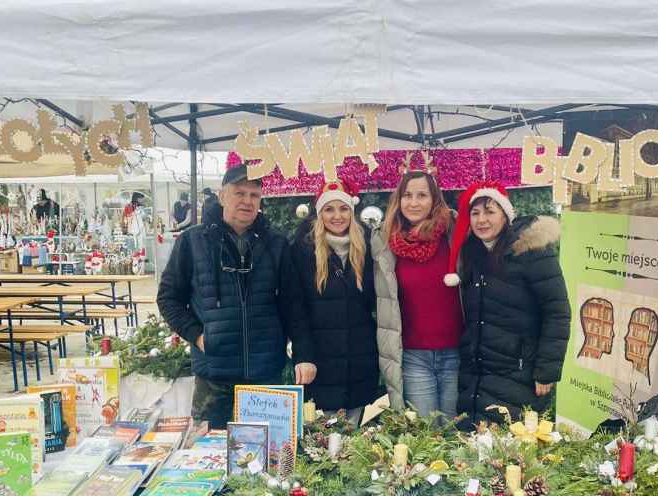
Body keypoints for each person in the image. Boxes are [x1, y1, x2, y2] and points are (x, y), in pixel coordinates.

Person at [157, 164, 290, 426]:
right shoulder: (193, 241)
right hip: (214, 377)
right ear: (222, 196)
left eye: (254, 195)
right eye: (239, 193)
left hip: (265, 374)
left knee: (268, 456)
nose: (247, 201)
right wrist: (196, 335)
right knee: (206, 454)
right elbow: (168, 297)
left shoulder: (276, 243)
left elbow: (292, 302)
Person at [447, 181, 570, 425]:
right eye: (475, 213)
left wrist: (546, 371)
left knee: (509, 452)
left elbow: (557, 312)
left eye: (490, 212)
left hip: (518, 374)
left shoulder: (532, 252)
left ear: (506, 215)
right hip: (478, 375)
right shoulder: (474, 253)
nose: (482, 220)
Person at [284, 179, 379, 426]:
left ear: (352, 211)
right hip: (321, 359)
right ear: (319, 213)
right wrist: (303, 354)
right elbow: (295, 306)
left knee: (357, 442)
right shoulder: (303, 249)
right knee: (325, 439)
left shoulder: (369, 246)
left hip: (361, 359)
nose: (337, 216)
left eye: (343, 209)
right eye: (329, 209)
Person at [372, 169, 462, 417]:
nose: (413, 202)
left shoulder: (454, 232)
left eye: (422, 195)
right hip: (413, 356)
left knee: (456, 433)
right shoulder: (385, 241)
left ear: (434, 199)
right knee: (427, 435)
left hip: (456, 353)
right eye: (407, 195)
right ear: (398, 200)